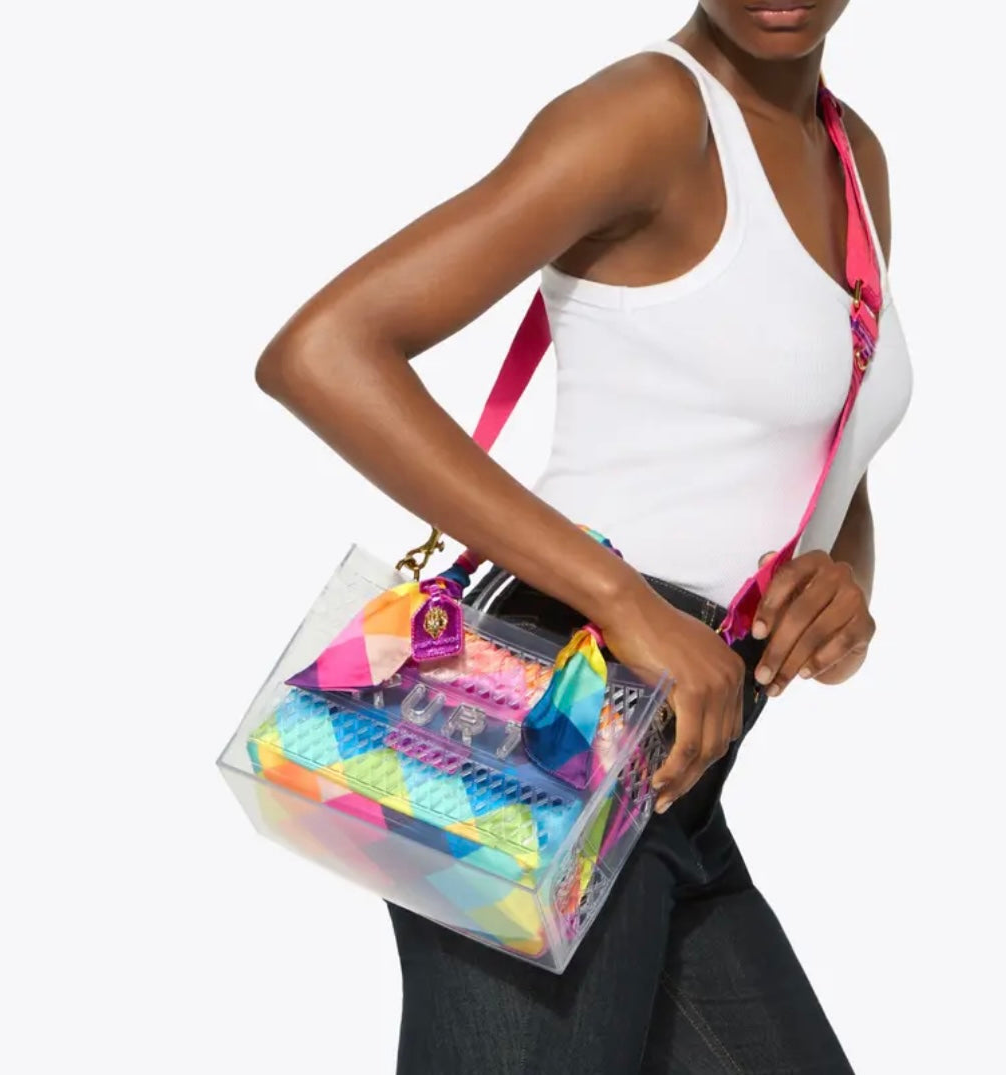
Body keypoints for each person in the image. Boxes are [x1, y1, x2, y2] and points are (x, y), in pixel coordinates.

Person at [254, 0, 913, 1070]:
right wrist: (623, 603)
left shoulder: (855, 157)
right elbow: (323, 352)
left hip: (682, 779)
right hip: (543, 731)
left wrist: (844, 592)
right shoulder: (650, 114)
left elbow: (833, 459)